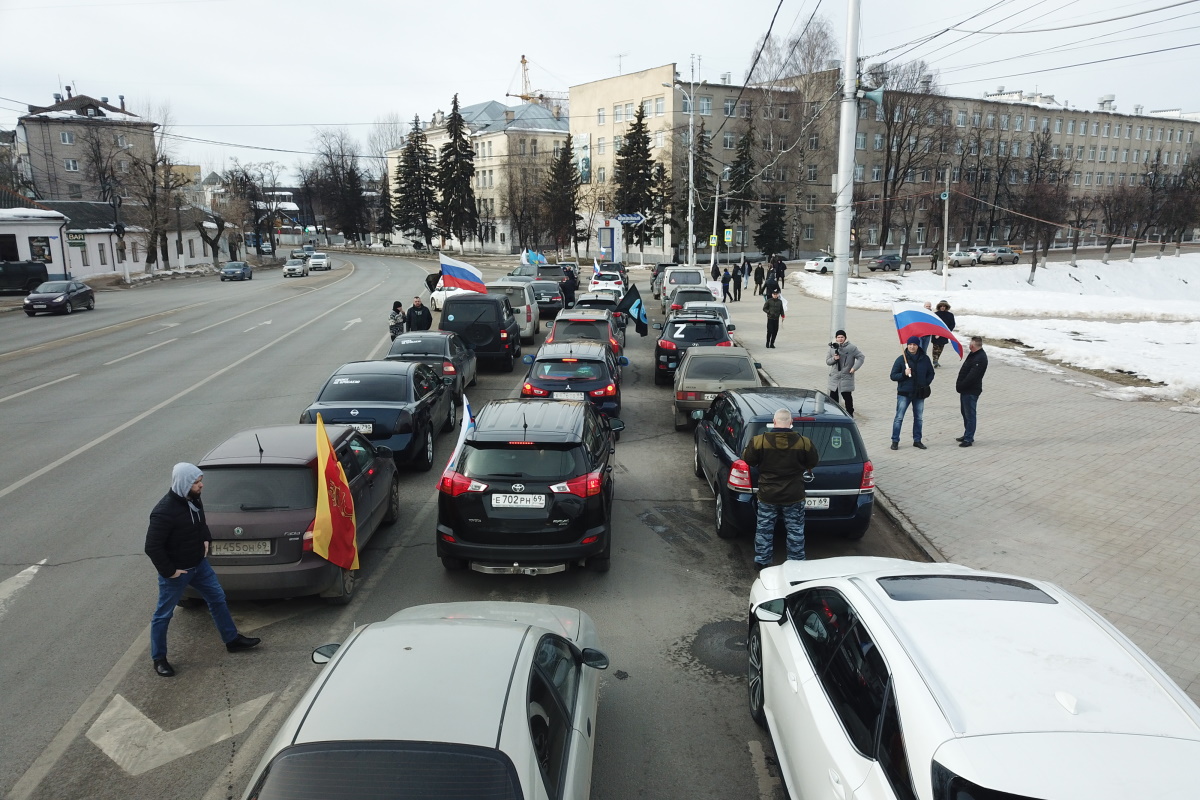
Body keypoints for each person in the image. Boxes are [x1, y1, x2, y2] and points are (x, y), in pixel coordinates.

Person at [145, 463, 260, 677]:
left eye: (200, 481)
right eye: (196, 482)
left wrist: (206, 537)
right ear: (184, 484)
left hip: (200, 566)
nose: (201, 485)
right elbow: (152, 547)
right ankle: (159, 659)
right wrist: (170, 571)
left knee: (217, 599)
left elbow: (200, 522)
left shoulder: (193, 499)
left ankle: (232, 640)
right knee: (163, 615)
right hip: (177, 573)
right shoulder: (163, 512)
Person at [741, 408, 820, 568]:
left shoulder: (759, 441)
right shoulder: (804, 443)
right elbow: (813, 462)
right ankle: (796, 564)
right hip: (794, 495)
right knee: (795, 530)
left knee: (764, 528)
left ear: (774, 422)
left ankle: (762, 562)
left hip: (768, 495)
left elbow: (748, 459)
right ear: (791, 423)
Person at [889, 336, 935, 450]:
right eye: (910, 344)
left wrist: (925, 383)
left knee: (918, 418)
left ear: (918, 345)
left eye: (914, 345)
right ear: (907, 345)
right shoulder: (901, 359)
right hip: (904, 393)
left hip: (919, 393)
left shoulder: (925, 359)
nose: (912, 346)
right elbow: (893, 376)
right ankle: (895, 440)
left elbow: (931, 373)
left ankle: (917, 440)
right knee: (899, 418)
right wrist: (904, 374)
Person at [955, 336, 988, 447]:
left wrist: (961, 385)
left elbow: (972, 377)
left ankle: (969, 438)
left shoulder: (980, 358)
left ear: (973, 345)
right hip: (965, 390)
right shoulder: (974, 354)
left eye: (970, 343)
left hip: (970, 390)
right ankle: (967, 433)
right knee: (965, 413)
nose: (969, 345)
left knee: (970, 415)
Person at [826, 330, 865, 417]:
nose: (840, 339)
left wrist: (854, 368)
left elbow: (861, 357)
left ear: (845, 338)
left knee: (847, 398)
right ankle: (834, 415)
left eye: (842, 337)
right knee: (833, 399)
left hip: (846, 376)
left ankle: (850, 415)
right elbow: (828, 362)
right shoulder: (832, 348)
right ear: (836, 338)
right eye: (838, 337)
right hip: (835, 377)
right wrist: (834, 359)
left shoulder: (852, 348)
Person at [931, 300, 956, 367]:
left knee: (941, 348)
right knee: (935, 348)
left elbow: (952, 324)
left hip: (945, 333)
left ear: (946, 307)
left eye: (944, 306)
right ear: (939, 307)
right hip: (936, 334)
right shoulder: (935, 314)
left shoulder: (950, 315)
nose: (942, 307)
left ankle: (937, 359)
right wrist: (936, 333)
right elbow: (932, 324)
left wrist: (948, 331)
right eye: (941, 306)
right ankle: (935, 361)